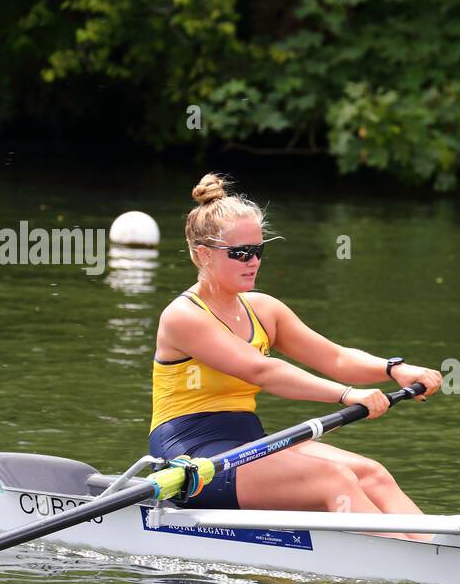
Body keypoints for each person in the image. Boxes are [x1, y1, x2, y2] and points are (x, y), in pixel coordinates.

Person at [150, 173, 441, 526]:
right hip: (194, 458)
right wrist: (347, 395)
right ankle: (398, 564)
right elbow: (263, 371)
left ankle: (436, 549)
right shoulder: (183, 317)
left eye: (258, 251)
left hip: (247, 441)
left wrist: (394, 369)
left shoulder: (264, 309)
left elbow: (335, 357)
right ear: (203, 255)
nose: (253, 261)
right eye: (240, 253)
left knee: (370, 472)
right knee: (334, 480)